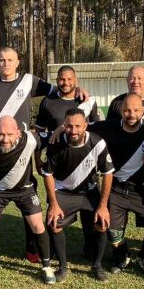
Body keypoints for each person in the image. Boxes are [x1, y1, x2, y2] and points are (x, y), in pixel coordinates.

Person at [0, 115, 53, 285]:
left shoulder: (31, 139)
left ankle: (47, 266)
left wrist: (61, 129)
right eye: (1, 134)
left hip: (24, 190)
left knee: (37, 225)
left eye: (9, 135)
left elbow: (53, 137)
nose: (5, 139)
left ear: (18, 134)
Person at [89, 94, 144, 276]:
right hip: (117, 189)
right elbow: (80, 126)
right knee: (110, 229)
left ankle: (143, 256)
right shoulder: (108, 128)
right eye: (127, 110)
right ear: (121, 111)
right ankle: (122, 254)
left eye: (136, 110)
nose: (131, 114)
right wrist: (59, 130)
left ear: (143, 111)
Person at [34, 65, 99, 263]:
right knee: (55, 215)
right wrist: (37, 160)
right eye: (62, 79)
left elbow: (95, 132)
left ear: (75, 79)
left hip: (86, 167)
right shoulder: (48, 102)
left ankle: (90, 250)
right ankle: (54, 250)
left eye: (69, 79)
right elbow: (38, 133)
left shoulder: (86, 101)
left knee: (90, 216)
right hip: (59, 166)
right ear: (57, 80)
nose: (66, 83)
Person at [42, 109, 114, 282]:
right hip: (64, 192)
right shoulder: (56, 142)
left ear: (85, 126)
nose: (73, 131)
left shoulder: (98, 143)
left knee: (102, 223)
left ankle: (96, 265)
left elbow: (108, 173)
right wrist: (53, 203)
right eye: (69, 126)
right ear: (63, 126)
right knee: (54, 222)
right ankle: (63, 266)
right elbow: (48, 174)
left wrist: (103, 206)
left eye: (77, 126)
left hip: (89, 192)